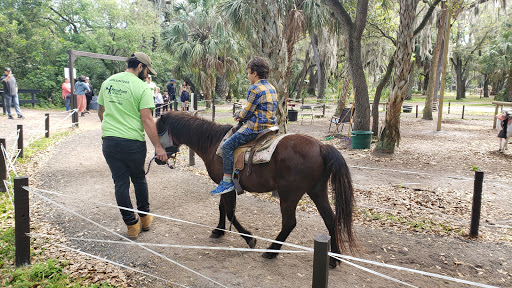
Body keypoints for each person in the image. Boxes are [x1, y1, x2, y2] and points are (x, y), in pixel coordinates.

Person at [97, 52, 167, 240]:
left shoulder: (108, 82)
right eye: (147, 70)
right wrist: (158, 147)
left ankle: (131, 225)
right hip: (133, 143)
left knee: (120, 183)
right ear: (140, 67)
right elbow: (147, 120)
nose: (147, 74)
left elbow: (101, 112)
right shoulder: (142, 88)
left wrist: (112, 127)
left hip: (110, 141)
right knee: (138, 179)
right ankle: (144, 219)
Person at [211, 57, 277, 195]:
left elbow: (247, 112)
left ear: (254, 73)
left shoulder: (254, 88)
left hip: (255, 129)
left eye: (248, 73)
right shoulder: (271, 87)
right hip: (270, 127)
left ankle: (227, 181)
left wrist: (238, 115)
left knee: (227, 146)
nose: (248, 76)